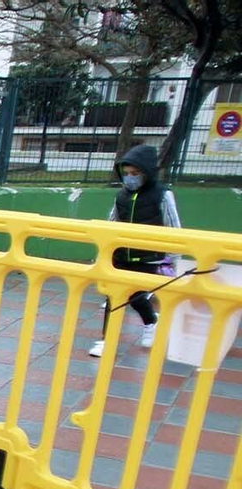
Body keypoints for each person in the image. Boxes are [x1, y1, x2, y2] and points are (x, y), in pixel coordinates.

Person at [92, 143, 181, 359]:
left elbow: (174, 227)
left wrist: (174, 261)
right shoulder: (121, 196)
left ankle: (151, 321)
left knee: (136, 296)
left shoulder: (162, 195)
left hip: (149, 257)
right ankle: (106, 340)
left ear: (147, 173)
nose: (130, 178)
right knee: (115, 296)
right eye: (127, 173)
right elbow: (111, 223)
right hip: (122, 255)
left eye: (135, 173)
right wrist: (105, 252)